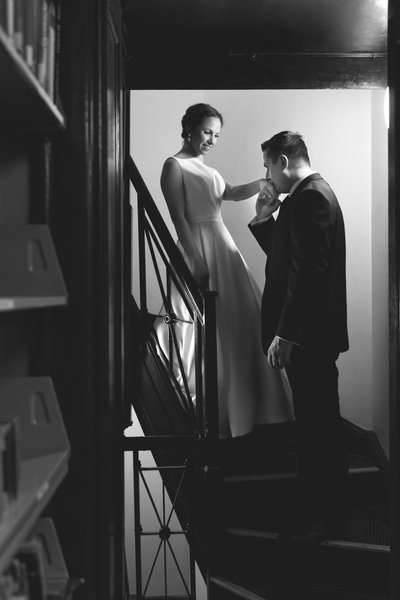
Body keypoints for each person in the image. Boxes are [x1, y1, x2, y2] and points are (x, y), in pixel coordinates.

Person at [156, 103, 293, 439]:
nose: (212, 139)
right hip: (198, 246)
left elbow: (229, 192)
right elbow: (178, 218)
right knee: (210, 326)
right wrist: (196, 259)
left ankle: (253, 411)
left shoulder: (208, 169)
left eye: (217, 134)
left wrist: (263, 181)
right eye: (207, 132)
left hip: (223, 247)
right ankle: (214, 412)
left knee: (243, 319)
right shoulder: (174, 166)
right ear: (189, 129)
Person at [249, 131, 349, 542]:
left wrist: (287, 335)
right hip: (310, 336)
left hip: (308, 337)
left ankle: (325, 518)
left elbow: (308, 274)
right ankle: (316, 511)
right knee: (312, 426)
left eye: (269, 166)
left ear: (285, 160)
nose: (268, 175)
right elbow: (289, 259)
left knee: (318, 429)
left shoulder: (312, 198)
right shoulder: (304, 197)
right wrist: (262, 217)